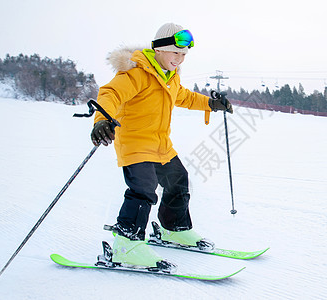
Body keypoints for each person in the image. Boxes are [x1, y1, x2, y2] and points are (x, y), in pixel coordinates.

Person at [90, 23, 233, 270]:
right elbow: (110, 94)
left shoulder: (170, 77)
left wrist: (211, 104)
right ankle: (126, 245)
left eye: (184, 55)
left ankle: (173, 229)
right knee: (143, 189)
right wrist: (102, 119)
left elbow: (185, 97)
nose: (179, 59)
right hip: (135, 143)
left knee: (178, 181)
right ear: (158, 49)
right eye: (175, 53)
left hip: (161, 145)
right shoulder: (136, 73)